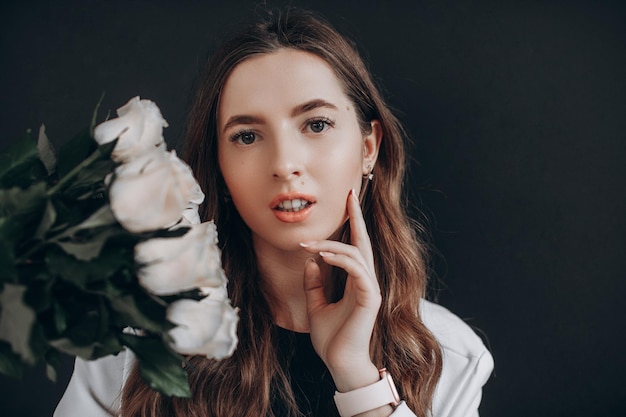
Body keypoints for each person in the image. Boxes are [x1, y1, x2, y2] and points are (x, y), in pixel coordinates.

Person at [54, 8, 493, 417]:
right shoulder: (136, 334)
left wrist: (358, 378)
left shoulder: (448, 355)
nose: (284, 164)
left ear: (368, 148)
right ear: (220, 169)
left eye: (316, 125)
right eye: (247, 136)